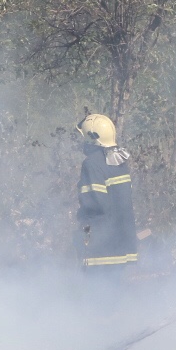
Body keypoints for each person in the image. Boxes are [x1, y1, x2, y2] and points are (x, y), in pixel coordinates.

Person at [75, 113, 139, 273]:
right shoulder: (118, 160)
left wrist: (82, 226)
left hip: (101, 249)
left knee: (97, 295)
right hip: (122, 243)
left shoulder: (91, 164)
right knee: (114, 294)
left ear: (92, 138)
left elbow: (94, 204)